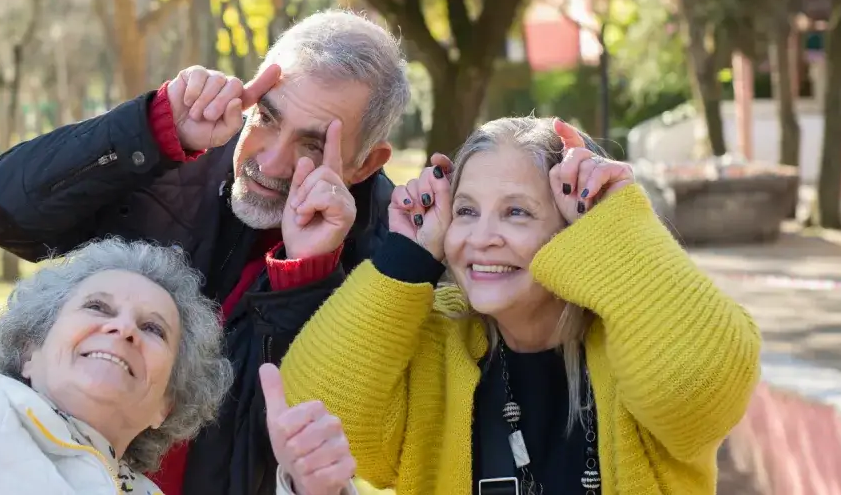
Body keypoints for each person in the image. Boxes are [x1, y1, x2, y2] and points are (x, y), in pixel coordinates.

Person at [0, 0, 358, 493]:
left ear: (168, 403)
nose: (122, 329)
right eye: (97, 306)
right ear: (29, 350)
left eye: (153, 329)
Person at [0, 8, 411, 495]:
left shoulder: (391, 258)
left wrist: (304, 278)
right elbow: (0, 213)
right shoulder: (176, 153)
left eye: (311, 144)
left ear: (366, 163)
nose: (270, 160)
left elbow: (303, 440)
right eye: (266, 116)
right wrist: (154, 129)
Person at [277, 117, 763, 494]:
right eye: (465, 211)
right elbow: (316, 407)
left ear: (576, 227)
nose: (482, 238)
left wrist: (618, 225)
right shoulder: (435, 340)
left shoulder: (638, 340)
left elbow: (699, 389)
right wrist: (406, 258)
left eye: (516, 212)